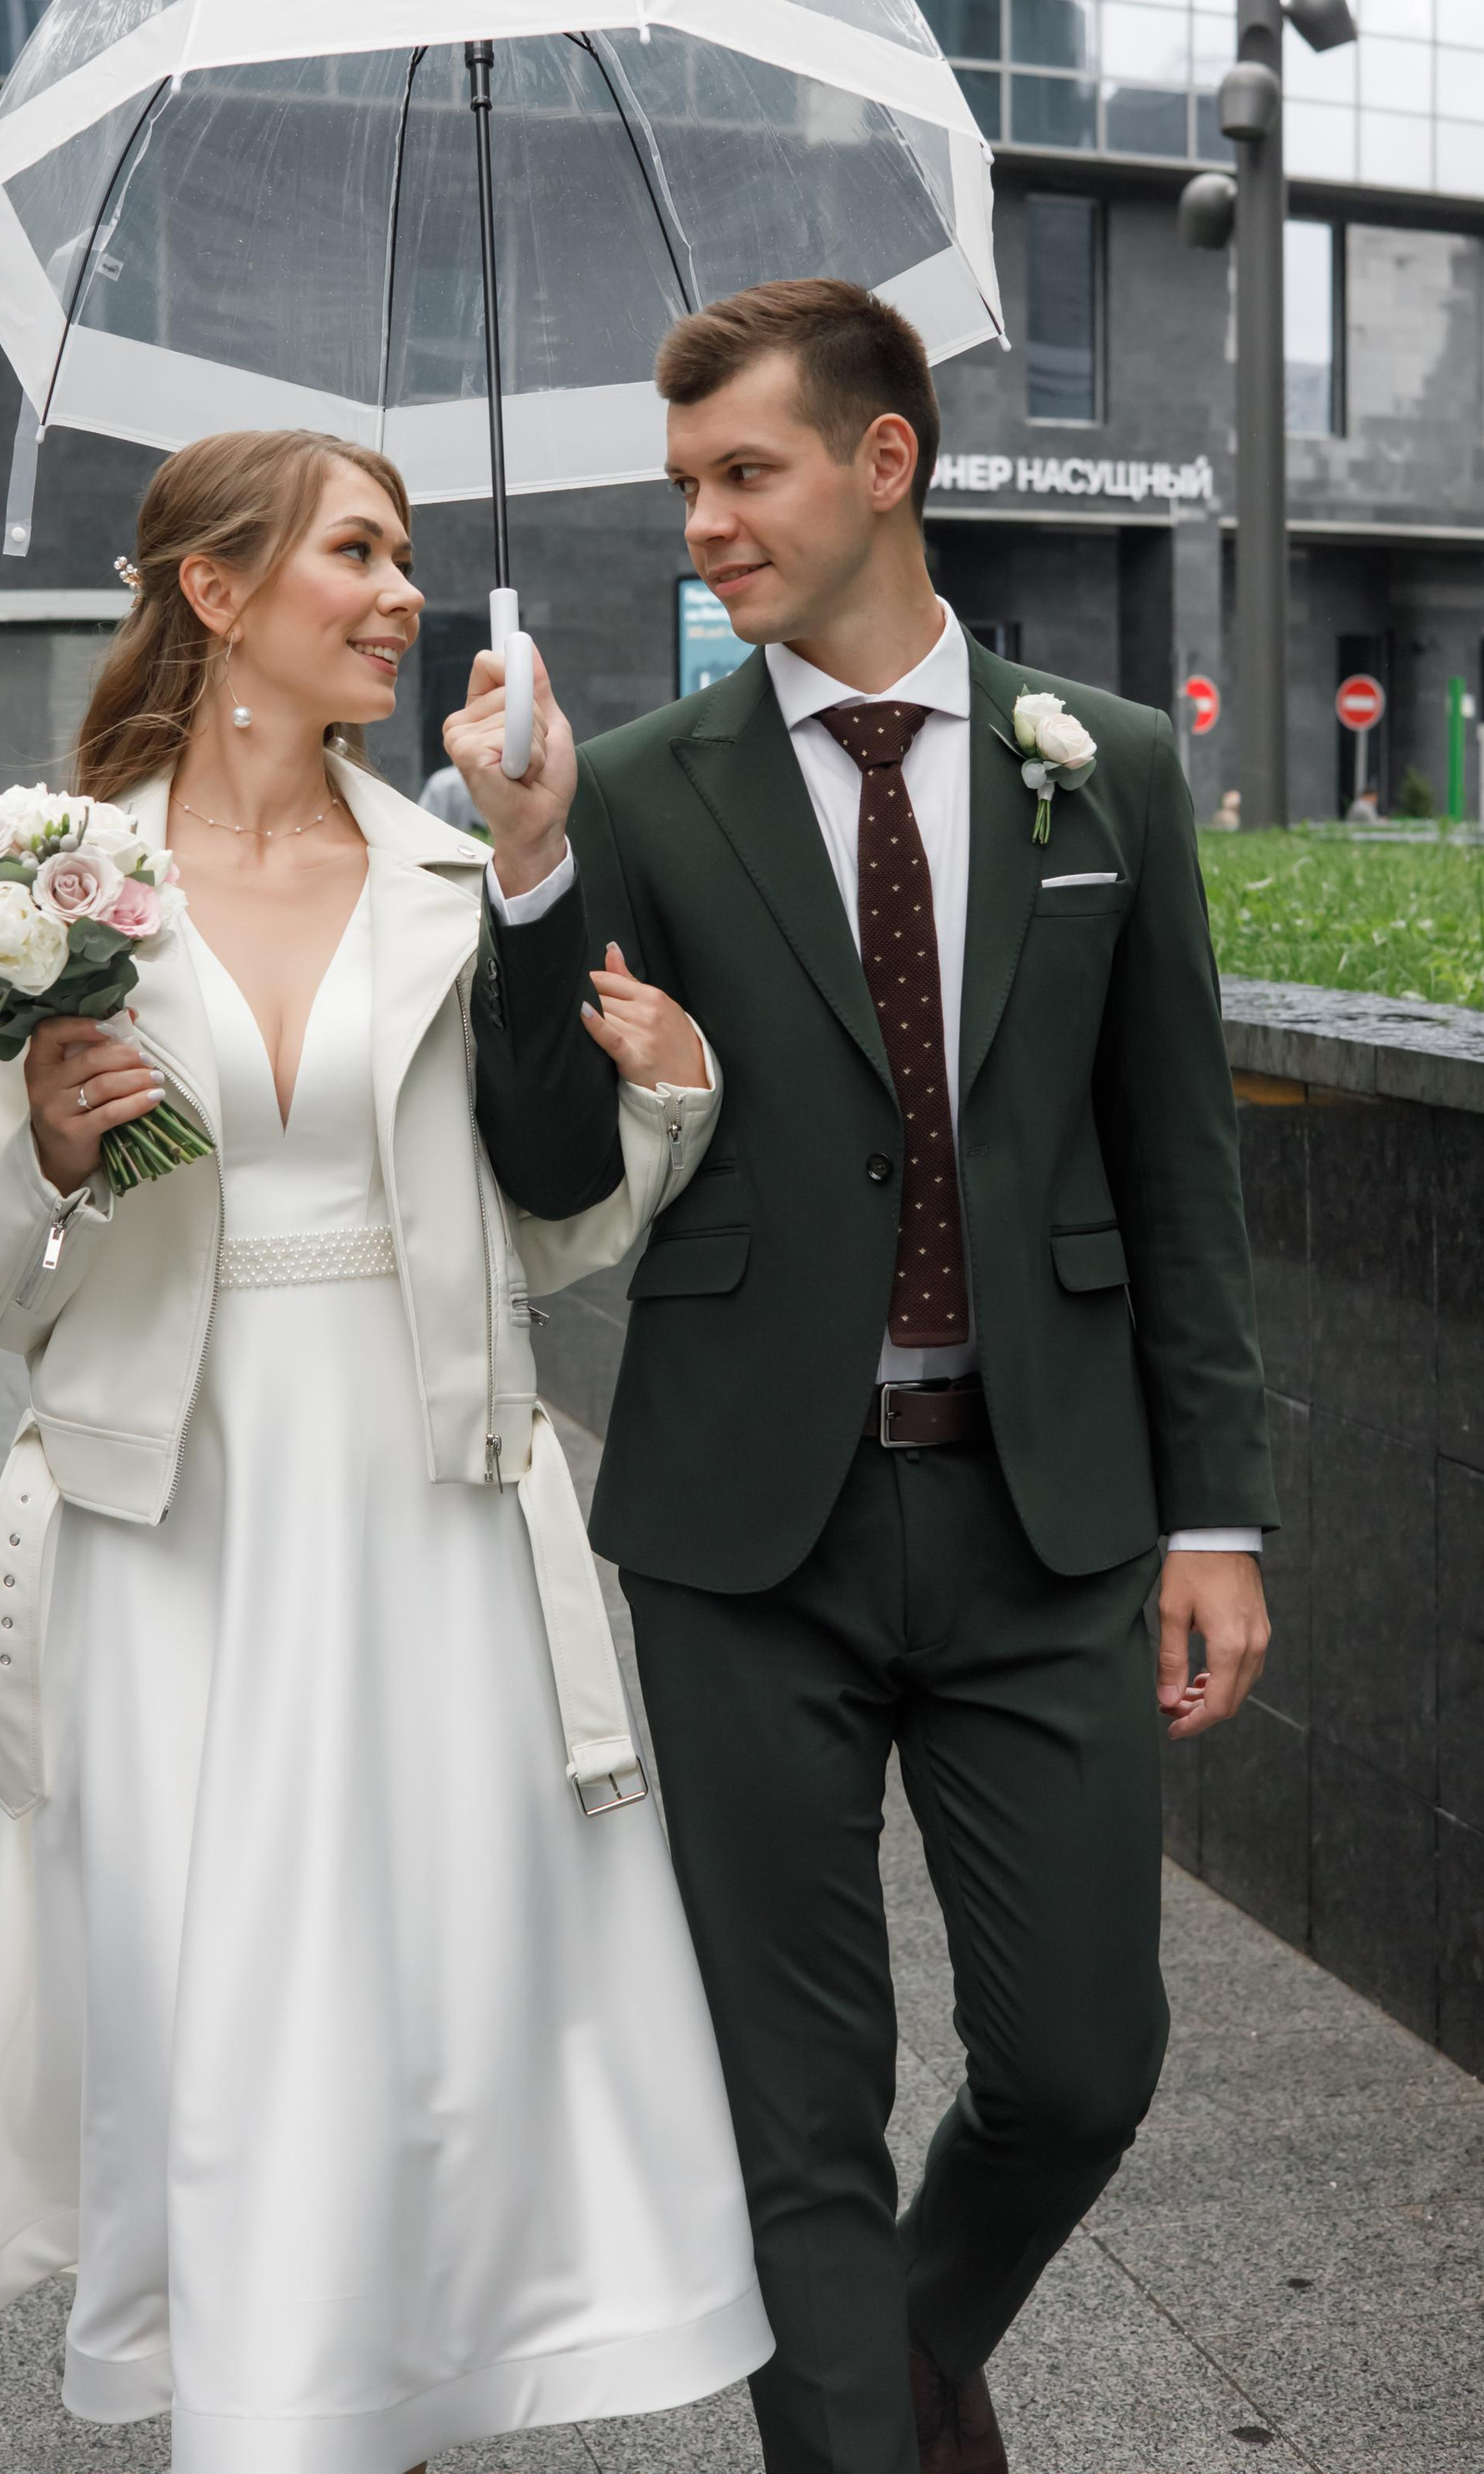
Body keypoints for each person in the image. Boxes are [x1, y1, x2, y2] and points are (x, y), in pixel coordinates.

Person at [0, 430, 771, 2466]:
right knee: (228, 1981)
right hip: (169, 1518)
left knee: (424, 1982)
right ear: (214, 590)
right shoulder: (34, 888)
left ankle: (376, 2382)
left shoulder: (452, 876)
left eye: (406, 554)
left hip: (422, 1495)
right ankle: (267, 2405)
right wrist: (58, 1159)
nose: (400, 595)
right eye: (355, 552)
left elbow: (532, 1236)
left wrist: (664, 1099)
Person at [450, 281, 1275, 2474]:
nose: (704, 524)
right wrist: (524, 871)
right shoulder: (634, 793)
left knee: (1080, 2066)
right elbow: (546, 1165)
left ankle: (893, 2360)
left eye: (746, 473)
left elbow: (1176, 1169)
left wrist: (1215, 1512)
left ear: (882, 461)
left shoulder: (1103, 765)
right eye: (684, 486)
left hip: (1047, 1514)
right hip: (747, 1531)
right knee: (793, 2109)